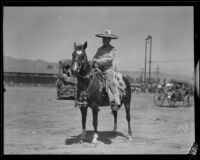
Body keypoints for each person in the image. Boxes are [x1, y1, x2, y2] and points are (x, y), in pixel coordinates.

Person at [92, 28, 120, 105]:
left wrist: (98, 61)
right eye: (103, 38)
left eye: (106, 39)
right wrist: (94, 61)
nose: (104, 40)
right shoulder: (99, 49)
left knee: (111, 82)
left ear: (109, 40)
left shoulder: (112, 49)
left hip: (107, 69)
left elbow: (109, 59)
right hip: (98, 68)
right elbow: (94, 57)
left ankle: (116, 99)